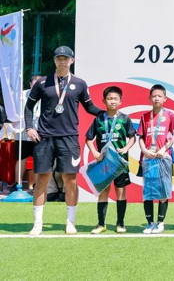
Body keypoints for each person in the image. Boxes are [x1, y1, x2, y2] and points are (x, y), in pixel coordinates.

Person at [25, 46, 105, 236]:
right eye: (59, 58)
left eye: (65, 58)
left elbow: (90, 107)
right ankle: (38, 223)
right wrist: (29, 128)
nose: (62, 61)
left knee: (70, 179)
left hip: (69, 138)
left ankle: (70, 222)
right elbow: (29, 107)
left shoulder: (80, 83)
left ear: (72, 60)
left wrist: (108, 113)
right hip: (44, 137)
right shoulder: (42, 83)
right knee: (42, 178)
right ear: (54, 60)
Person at [85, 86, 136, 234]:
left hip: (120, 162)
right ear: (103, 101)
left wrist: (125, 148)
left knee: (120, 191)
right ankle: (101, 224)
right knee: (103, 190)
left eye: (115, 99)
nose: (112, 101)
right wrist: (94, 152)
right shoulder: (99, 119)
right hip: (103, 162)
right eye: (109, 99)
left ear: (120, 101)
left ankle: (120, 223)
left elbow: (132, 137)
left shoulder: (125, 119)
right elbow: (88, 138)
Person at [137, 84, 174, 234]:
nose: (156, 98)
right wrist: (144, 150)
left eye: (159, 96)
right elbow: (141, 137)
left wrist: (164, 149)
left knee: (163, 191)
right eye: (154, 96)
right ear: (149, 98)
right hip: (148, 159)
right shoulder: (144, 117)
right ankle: (150, 223)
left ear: (165, 98)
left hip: (164, 158)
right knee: (148, 191)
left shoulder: (170, 115)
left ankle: (160, 222)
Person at [15, 76, 42, 191]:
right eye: (34, 85)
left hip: (40, 133)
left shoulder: (45, 94)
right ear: (30, 84)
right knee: (21, 159)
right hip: (23, 133)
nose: (36, 87)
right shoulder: (21, 95)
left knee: (40, 160)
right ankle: (17, 185)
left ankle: (38, 186)